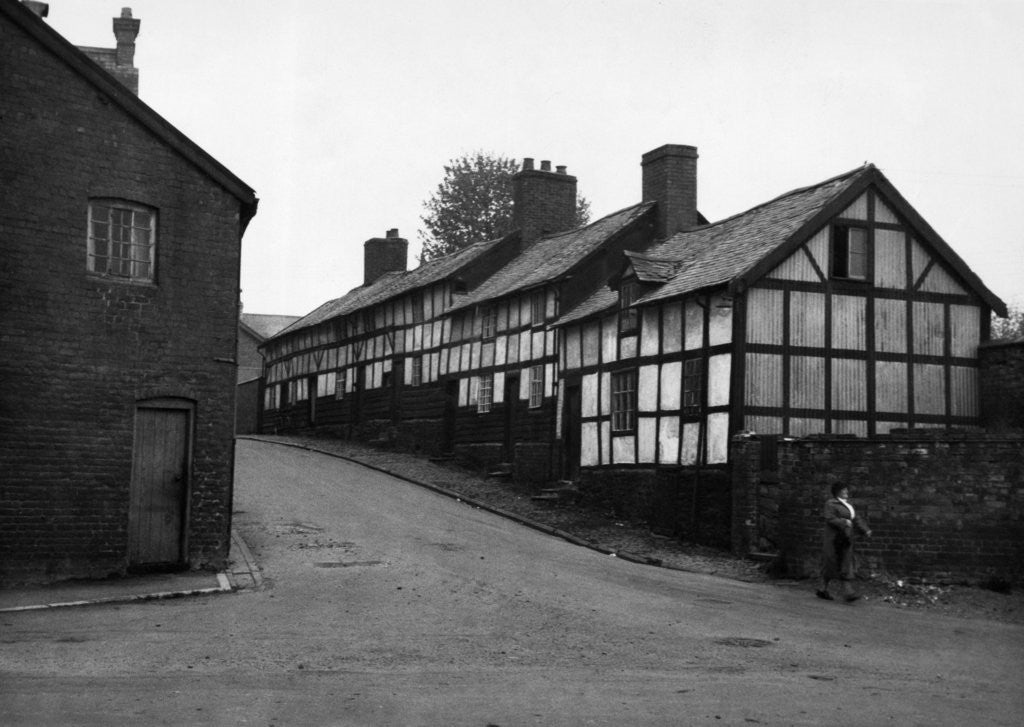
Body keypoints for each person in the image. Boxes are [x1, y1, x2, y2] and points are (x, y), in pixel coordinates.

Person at [817, 482, 871, 603]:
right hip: (834, 538)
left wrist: (865, 530)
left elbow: (856, 518)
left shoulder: (848, 505)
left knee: (845, 562)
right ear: (838, 492)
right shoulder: (830, 504)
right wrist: (843, 522)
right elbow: (829, 518)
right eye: (844, 490)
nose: (847, 492)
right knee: (832, 562)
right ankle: (839, 590)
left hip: (846, 538)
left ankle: (843, 591)